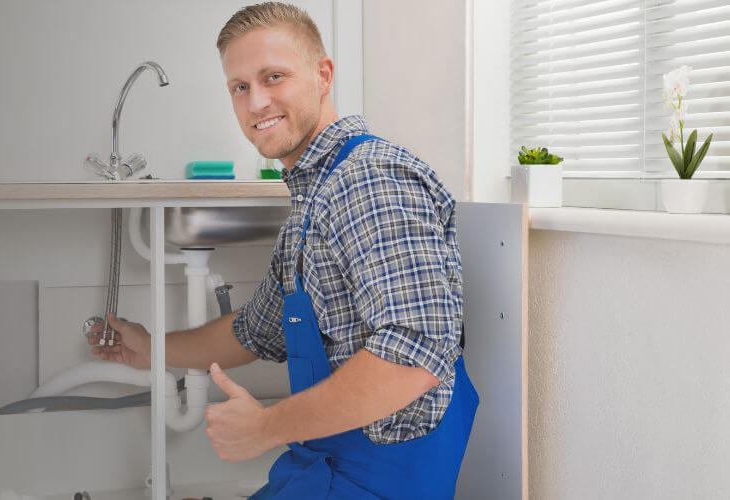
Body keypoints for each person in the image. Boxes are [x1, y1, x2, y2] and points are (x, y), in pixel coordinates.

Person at [89, 2, 478, 498]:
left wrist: (266, 428)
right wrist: (152, 349)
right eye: (240, 87)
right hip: (324, 468)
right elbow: (256, 332)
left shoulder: (368, 180)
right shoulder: (313, 198)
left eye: (274, 77)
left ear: (323, 75)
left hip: (380, 483)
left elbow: (414, 357)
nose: (256, 104)